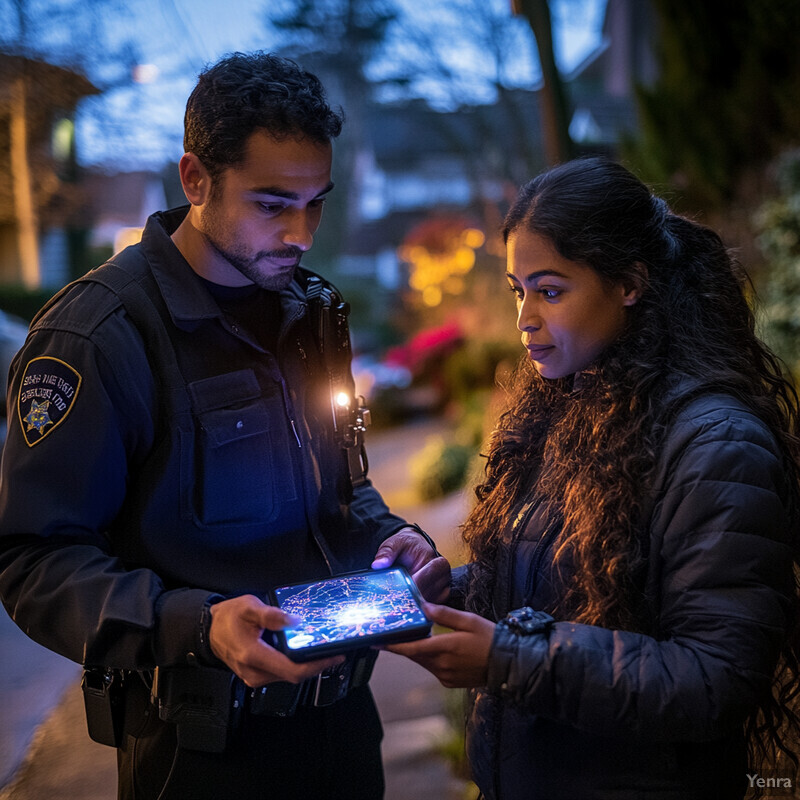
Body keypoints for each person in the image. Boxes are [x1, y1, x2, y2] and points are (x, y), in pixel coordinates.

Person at [0, 51, 448, 800]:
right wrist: (198, 625)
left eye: (317, 202)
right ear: (196, 179)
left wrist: (383, 535)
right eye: (273, 204)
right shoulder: (98, 336)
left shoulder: (310, 309)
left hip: (345, 730)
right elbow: (31, 560)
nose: (302, 233)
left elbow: (337, 486)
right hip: (202, 755)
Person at [389, 157, 800, 799]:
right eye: (517, 289)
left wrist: (511, 661)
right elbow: (569, 584)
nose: (525, 316)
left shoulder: (716, 444)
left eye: (550, 290)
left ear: (630, 283)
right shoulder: (569, 407)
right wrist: (454, 588)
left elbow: (716, 678)